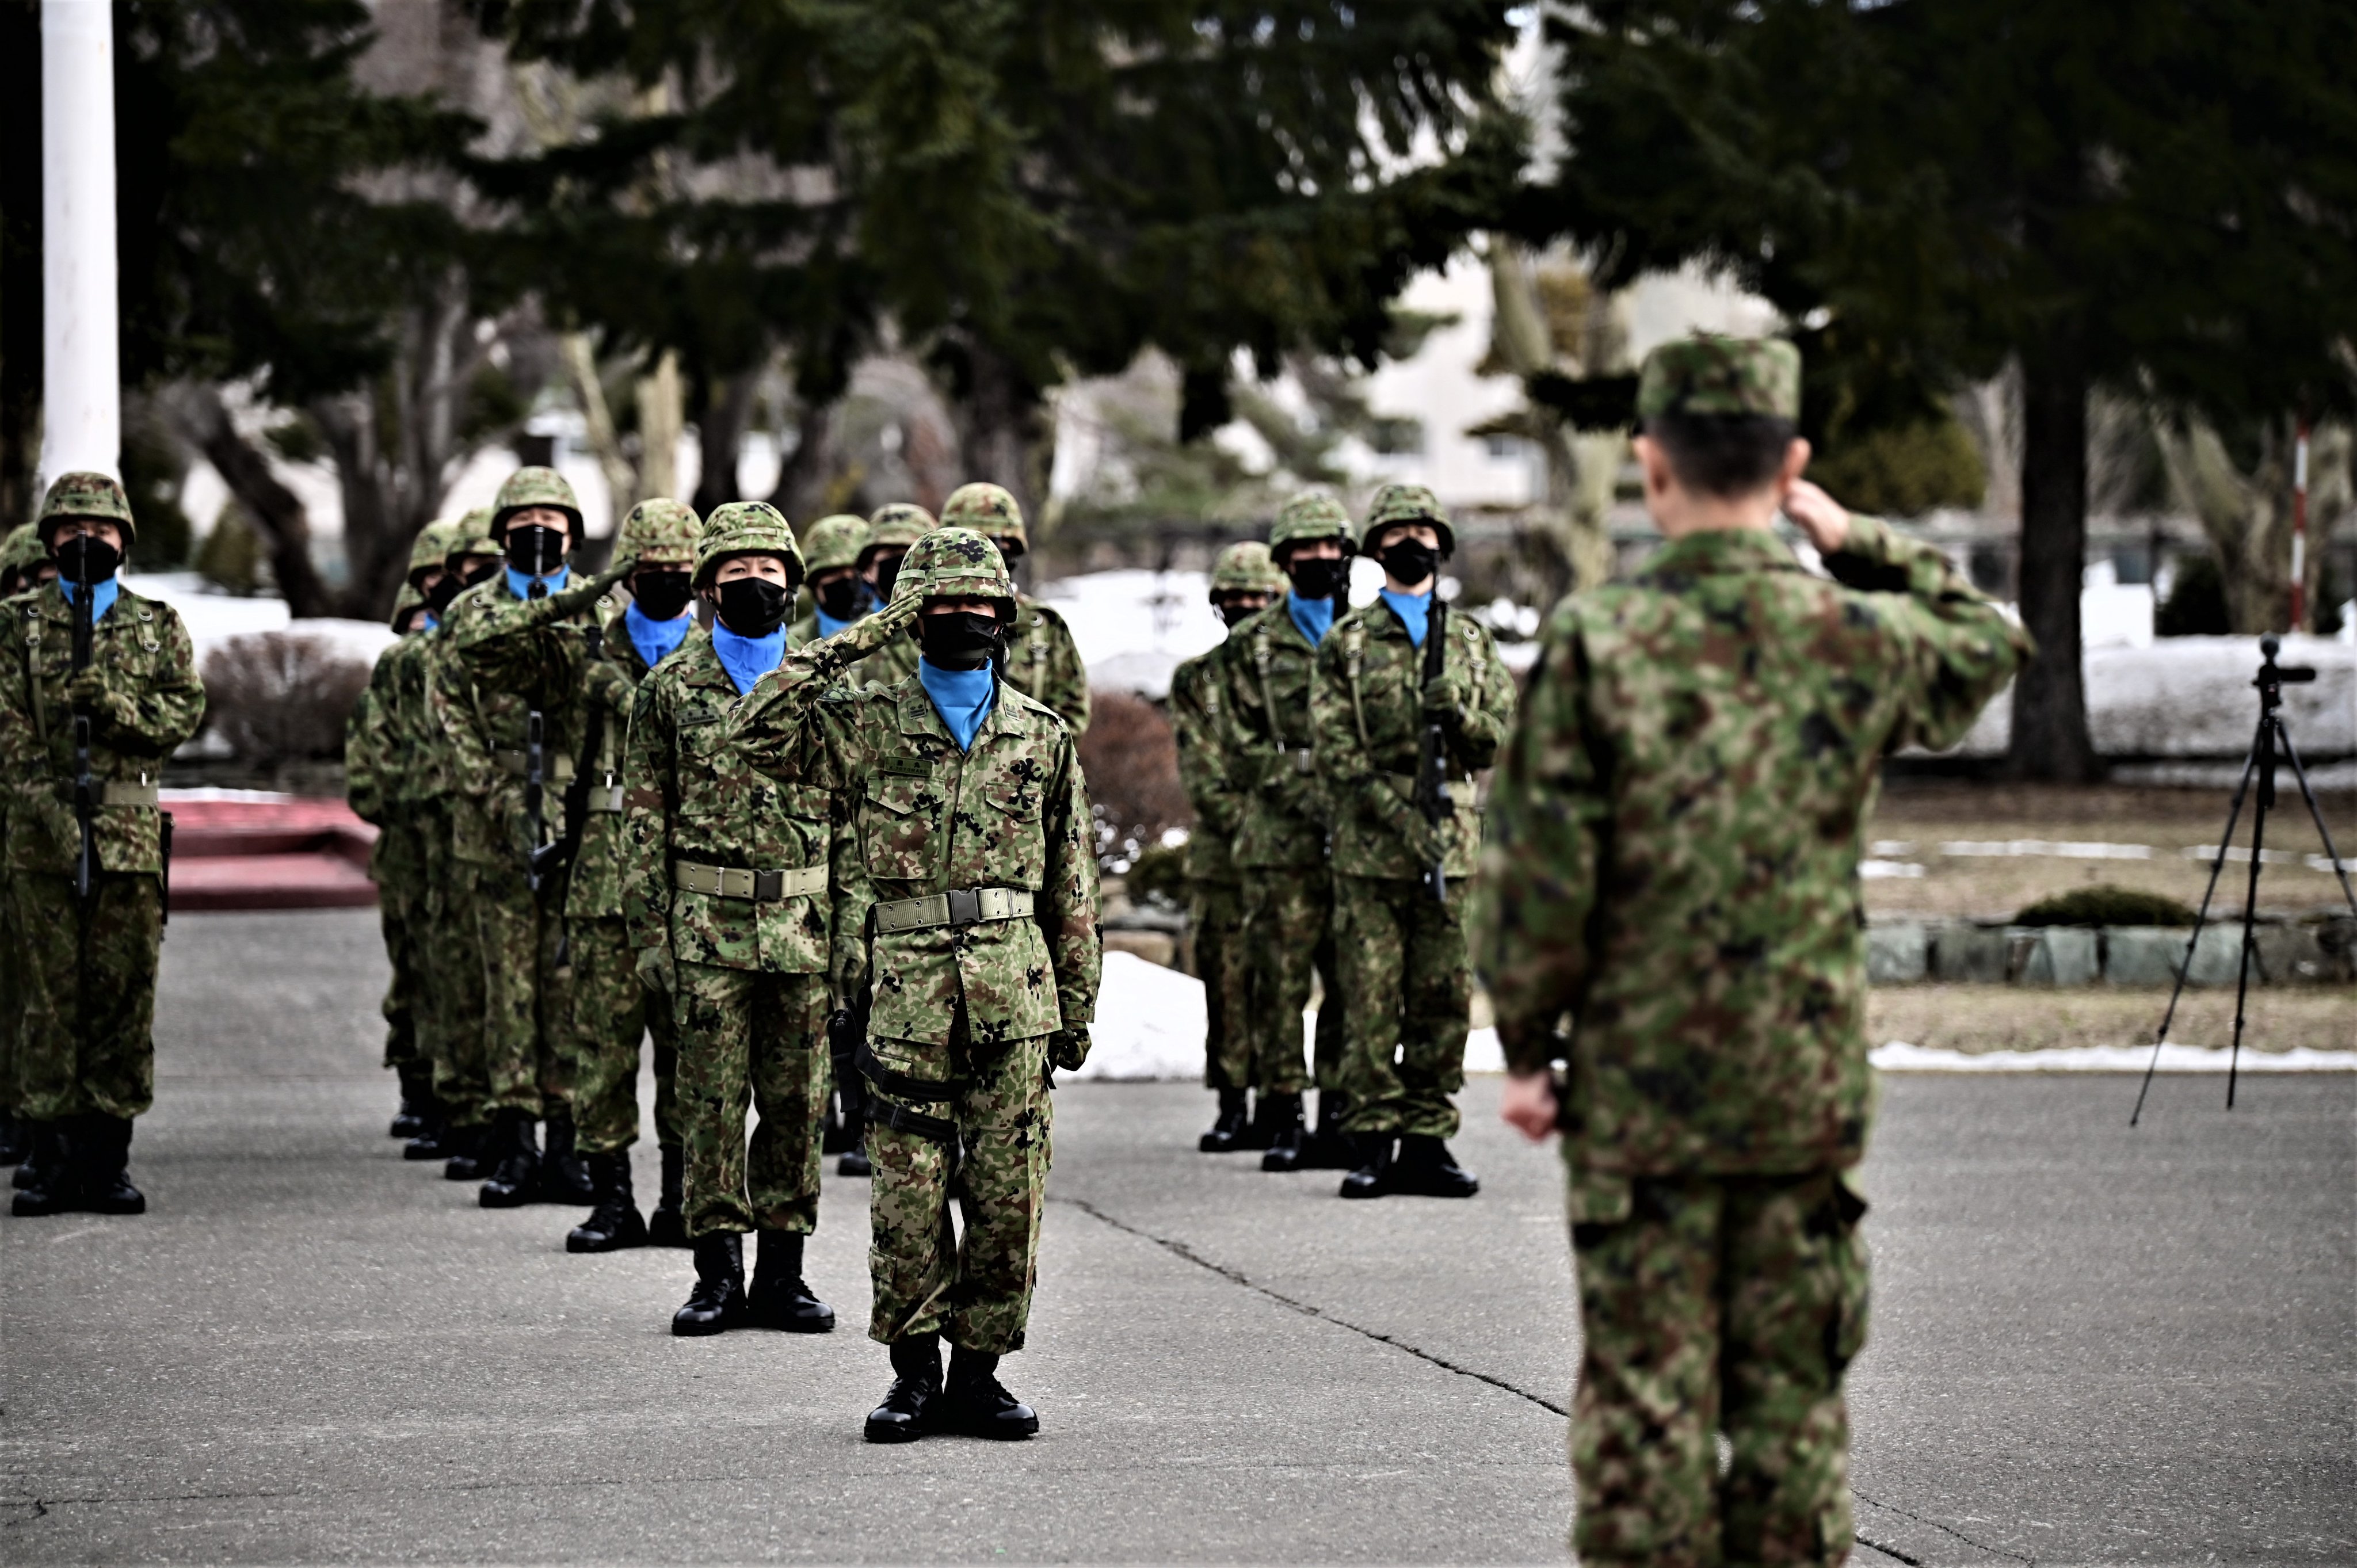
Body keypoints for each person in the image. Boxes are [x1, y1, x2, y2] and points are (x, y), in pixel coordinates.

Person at [1478, 336, 2031, 1568]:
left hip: (1640, 1097)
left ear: (1649, 464)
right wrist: (1855, 539)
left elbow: (1534, 871)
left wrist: (1524, 1050)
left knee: (1644, 1415)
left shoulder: (1599, 639)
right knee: (1789, 1414)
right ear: (1789, 467)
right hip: (1794, 1093)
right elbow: (1987, 641)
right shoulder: (1850, 630)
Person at [726, 527, 1100, 1444]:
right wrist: (862, 635)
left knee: (1009, 1196)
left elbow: (1073, 883)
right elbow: (752, 733)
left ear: (1004, 615)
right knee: (908, 1199)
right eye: (943, 604)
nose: (965, 617)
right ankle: (913, 1375)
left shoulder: (1041, 734)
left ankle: (979, 1373)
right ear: (913, 616)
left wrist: (1078, 1005)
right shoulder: (866, 720)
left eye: (981, 603)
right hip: (908, 1004)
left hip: (1015, 997)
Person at [622, 502, 868, 1333]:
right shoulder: (668, 689)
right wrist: (649, 933)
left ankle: (783, 1275)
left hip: (803, 928)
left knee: (799, 1104)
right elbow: (643, 820)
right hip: (707, 929)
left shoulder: (827, 686)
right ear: (707, 588)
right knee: (711, 1104)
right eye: (736, 573)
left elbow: (854, 819)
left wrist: (852, 929)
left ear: (793, 584)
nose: (754, 584)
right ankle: (717, 1275)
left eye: (768, 572)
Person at [2, 472, 207, 1216]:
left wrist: (118, 708)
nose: (86, 540)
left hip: (127, 842)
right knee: (49, 1003)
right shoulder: (16, 624)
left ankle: (107, 1159)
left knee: (122, 1000)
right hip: (40, 843)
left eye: (102, 529)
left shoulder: (157, 624)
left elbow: (183, 713)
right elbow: (8, 730)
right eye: (71, 529)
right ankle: (51, 1159)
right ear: (49, 539)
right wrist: (52, 815)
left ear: (124, 539)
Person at [1310, 483, 1516, 1200]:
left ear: (1441, 545)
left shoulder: (1469, 641)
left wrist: (1458, 715)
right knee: (1369, 996)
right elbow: (1333, 747)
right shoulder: (1348, 642)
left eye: (1422, 532)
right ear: (1376, 548)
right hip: (1371, 848)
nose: (1410, 543)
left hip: (1449, 848)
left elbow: (1496, 741)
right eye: (1396, 533)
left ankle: (1428, 1137)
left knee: (1442, 996)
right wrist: (1396, 815)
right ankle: (1371, 1138)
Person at [440, 468, 618, 1209]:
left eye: (553, 520)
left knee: (571, 986)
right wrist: (496, 795)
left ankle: (568, 1143)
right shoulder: (471, 611)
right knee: (508, 984)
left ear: (574, 533)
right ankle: (514, 1142)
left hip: (579, 815)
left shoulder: (603, 609)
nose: (539, 532)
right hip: (496, 821)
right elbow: (450, 713)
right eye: (524, 521)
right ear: (502, 533)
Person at [562, 498, 703, 1253]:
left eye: (681, 568)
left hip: (688, 882)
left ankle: (680, 1198)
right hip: (602, 878)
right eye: (651, 568)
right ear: (625, 572)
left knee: (687, 1051)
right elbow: (484, 649)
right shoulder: (587, 647)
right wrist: (588, 591)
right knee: (603, 1047)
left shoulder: (722, 658)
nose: (667, 579)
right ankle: (611, 1197)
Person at [1219, 494, 1359, 1169]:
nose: (1318, 559)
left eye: (1329, 548)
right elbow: (1239, 749)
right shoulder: (1251, 645)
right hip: (1280, 838)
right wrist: (1310, 787)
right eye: (1304, 550)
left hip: (1356, 833)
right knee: (1279, 981)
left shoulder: (1365, 635)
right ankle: (1283, 1112)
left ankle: (1337, 1112)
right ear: (1284, 559)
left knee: (1348, 977)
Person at [1169, 540, 1284, 1155]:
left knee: (1283, 982)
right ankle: (1233, 1102)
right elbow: (1203, 771)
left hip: (1292, 854)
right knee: (1228, 983)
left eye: (1257, 597)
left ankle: (1283, 1104)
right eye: (1234, 598)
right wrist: (1257, 823)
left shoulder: (1302, 674)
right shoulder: (1197, 679)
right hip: (1226, 856)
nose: (1245, 607)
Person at [345, 527, 453, 1144]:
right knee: (416, 972)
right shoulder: (394, 677)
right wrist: (409, 797)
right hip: (409, 847)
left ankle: (460, 1094)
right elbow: (366, 769)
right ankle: (419, 1083)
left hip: (462, 841)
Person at [413, 516, 505, 1176]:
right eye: (463, 567)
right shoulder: (448, 640)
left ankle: (518, 1124)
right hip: (452, 828)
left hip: (530, 828)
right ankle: (467, 1111)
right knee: (461, 975)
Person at [937, 483, 1090, 734]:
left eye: (1002, 542)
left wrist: (1022, 748)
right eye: (977, 543)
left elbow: (1071, 713)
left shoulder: (1043, 626)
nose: (991, 552)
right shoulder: (924, 620)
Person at [849, 502, 935, 689]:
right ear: (868, 569)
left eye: (910, 554)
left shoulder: (951, 631)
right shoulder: (848, 643)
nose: (902, 564)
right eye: (891, 553)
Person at [788, 513, 873, 648]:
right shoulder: (790, 646)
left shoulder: (899, 632)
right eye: (834, 572)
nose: (848, 578)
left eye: (857, 570)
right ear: (814, 583)